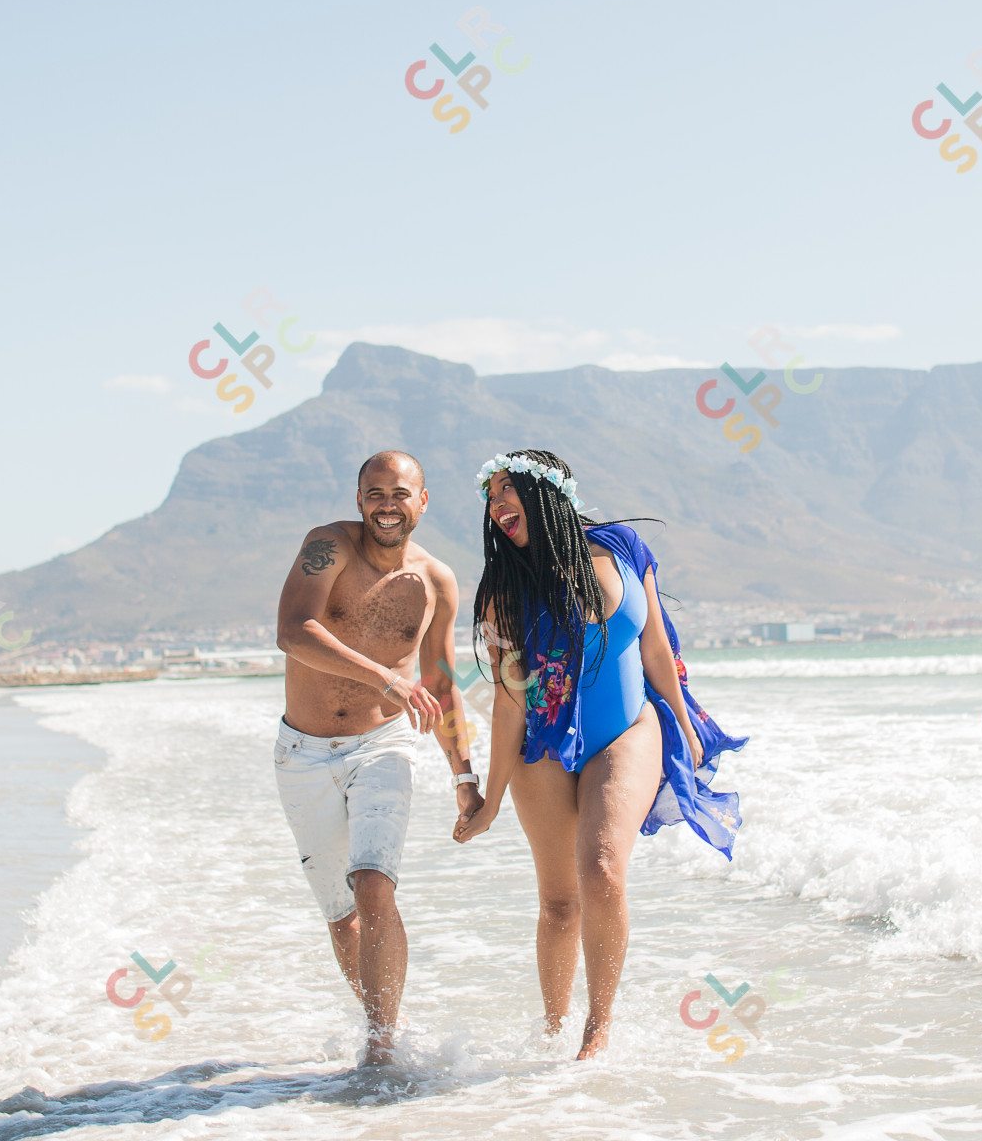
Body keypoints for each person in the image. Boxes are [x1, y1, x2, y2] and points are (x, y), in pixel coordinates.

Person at [454, 449, 746, 1058]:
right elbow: (509, 703)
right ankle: (552, 1030)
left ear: (547, 494)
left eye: (508, 489)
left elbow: (656, 647)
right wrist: (490, 801)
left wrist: (687, 724)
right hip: (543, 744)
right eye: (490, 495)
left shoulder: (622, 549)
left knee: (602, 871)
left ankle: (597, 1028)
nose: (496, 503)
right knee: (560, 904)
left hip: (627, 733)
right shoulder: (504, 593)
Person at [273, 449, 483, 1066]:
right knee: (342, 915)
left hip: (383, 744)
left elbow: (440, 683)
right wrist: (387, 678)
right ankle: (385, 1021)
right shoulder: (329, 545)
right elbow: (293, 630)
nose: (387, 506)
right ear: (359, 498)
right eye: (376, 493)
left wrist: (464, 775)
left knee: (373, 885)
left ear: (423, 501)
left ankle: (381, 1048)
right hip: (303, 751)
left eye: (400, 494)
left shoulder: (438, 580)